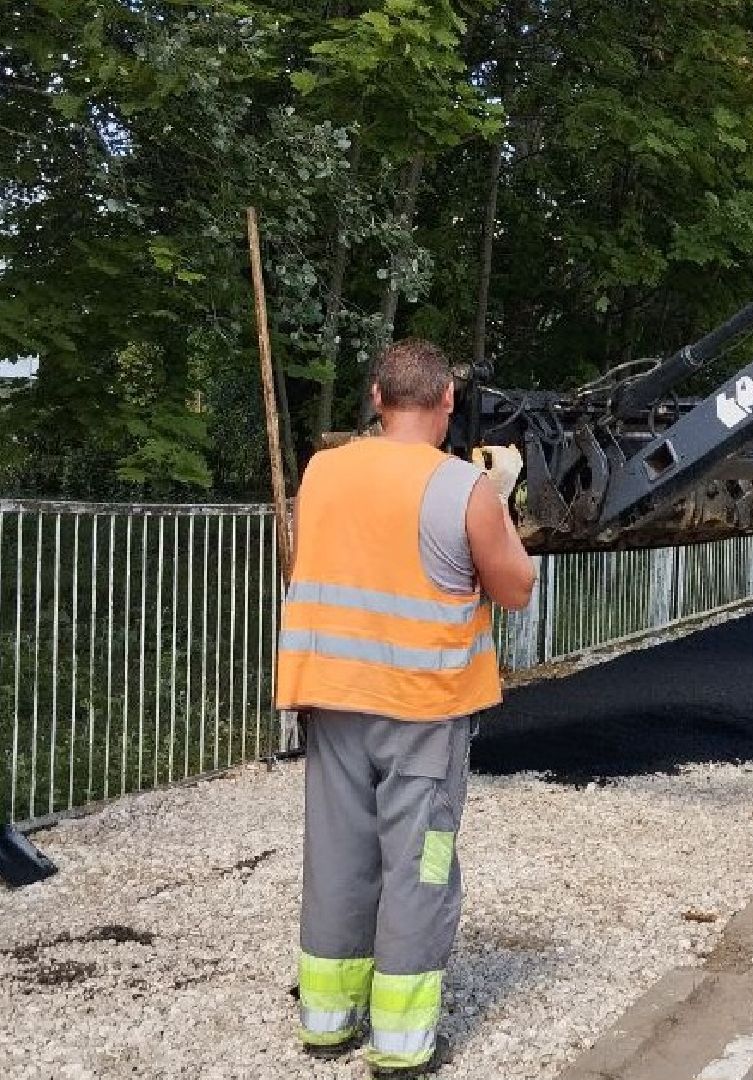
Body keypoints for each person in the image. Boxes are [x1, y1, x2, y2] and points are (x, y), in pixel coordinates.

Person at [276, 338, 536, 1076]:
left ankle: (327, 1020)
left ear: (375, 397)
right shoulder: (462, 489)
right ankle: (400, 1043)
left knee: (338, 858)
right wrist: (502, 498)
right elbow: (514, 587)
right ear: (448, 401)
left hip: (330, 700)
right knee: (419, 868)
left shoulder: (322, 472)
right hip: (421, 712)